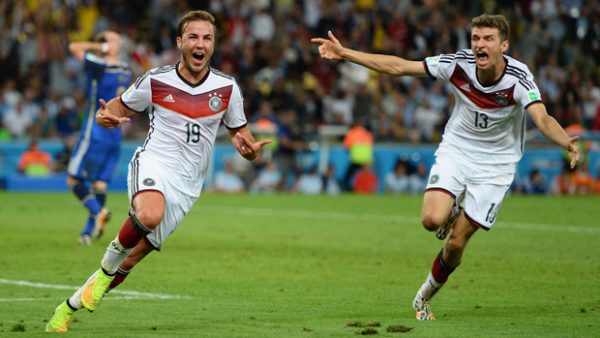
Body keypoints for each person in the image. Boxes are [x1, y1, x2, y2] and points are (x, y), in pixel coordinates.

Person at [312, 13, 580, 320]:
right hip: (458, 150)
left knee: (456, 242)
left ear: (504, 45)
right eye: (476, 38)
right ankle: (452, 209)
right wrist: (346, 53)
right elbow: (400, 66)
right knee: (430, 219)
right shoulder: (457, 64)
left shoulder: (519, 79)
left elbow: (542, 118)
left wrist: (566, 142)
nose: (480, 44)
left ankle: (424, 296)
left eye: (488, 39)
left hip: (496, 165)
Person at [45, 10, 271, 333]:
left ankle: (65, 311)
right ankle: (106, 270)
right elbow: (116, 108)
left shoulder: (227, 89)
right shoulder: (156, 80)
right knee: (149, 215)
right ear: (180, 42)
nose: (200, 43)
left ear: (214, 44)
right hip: (154, 162)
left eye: (207, 38)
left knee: (132, 259)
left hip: (188, 186)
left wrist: (249, 151)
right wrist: (103, 117)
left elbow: (241, 135)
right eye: (193, 36)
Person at [65, 30, 133, 245]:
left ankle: (98, 212)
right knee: (100, 184)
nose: (114, 42)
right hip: (115, 133)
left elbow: (74, 48)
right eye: (111, 39)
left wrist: (100, 47)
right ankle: (87, 233)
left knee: (73, 179)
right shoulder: (125, 68)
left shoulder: (99, 64)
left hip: (94, 129)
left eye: (115, 39)